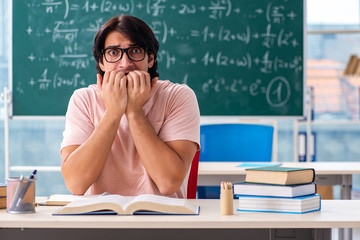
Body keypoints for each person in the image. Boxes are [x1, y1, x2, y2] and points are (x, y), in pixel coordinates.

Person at [60, 15, 200, 198]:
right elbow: (76, 184)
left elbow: (168, 183)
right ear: (101, 62)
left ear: (150, 59)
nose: (125, 64)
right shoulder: (83, 99)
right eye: (113, 53)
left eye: (135, 51)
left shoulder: (178, 96)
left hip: (162, 220)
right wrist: (113, 111)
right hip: (97, 220)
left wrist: (134, 111)